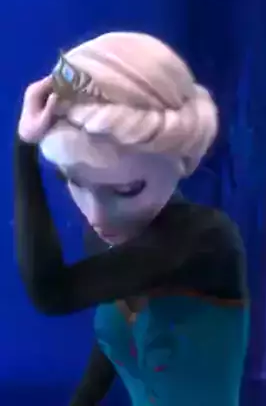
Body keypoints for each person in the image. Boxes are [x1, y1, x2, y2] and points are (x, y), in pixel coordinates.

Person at [14, 32, 249, 406]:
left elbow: (51, 294)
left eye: (126, 190)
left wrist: (24, 145)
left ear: (182, 161)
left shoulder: (205, 241)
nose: (96, 216)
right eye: (74, 182)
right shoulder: (109, 240)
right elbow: (114, 340)